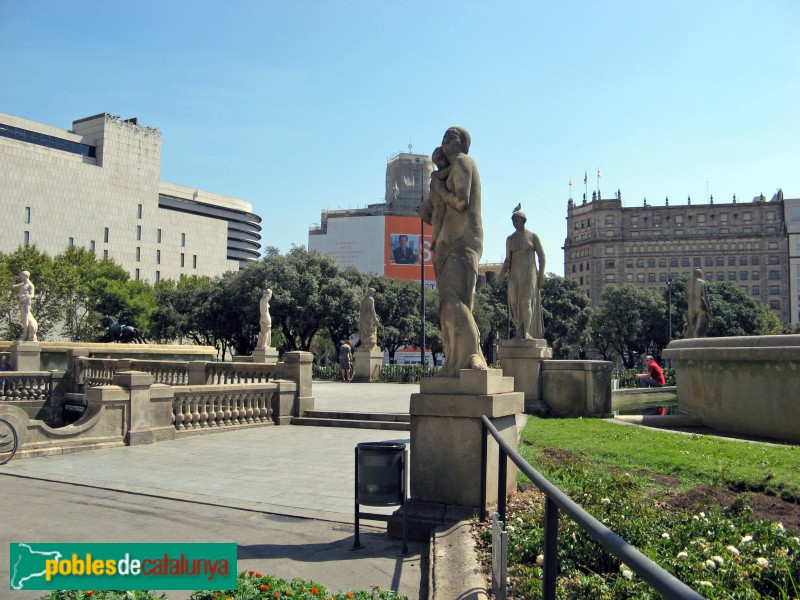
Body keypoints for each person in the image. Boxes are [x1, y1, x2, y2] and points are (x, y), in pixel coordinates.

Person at [424, 126, 488, 377]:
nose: (446, 139)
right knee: (451, 301)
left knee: (452, 298)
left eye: (453, 136)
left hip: (463, 241)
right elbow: (436, 211)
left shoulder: (463, 162)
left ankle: (471, 355)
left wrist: (439, 189)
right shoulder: (447, 172)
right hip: (448, 243)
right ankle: (456, 358)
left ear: (463, 144)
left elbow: (460, 202)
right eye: (445, 136)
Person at [498, 206, 546, 340]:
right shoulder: (510, 239)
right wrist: (502, 273)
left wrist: (541, 276)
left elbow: (542, 256)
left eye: (517, 220)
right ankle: (519, 331)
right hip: (515, 275)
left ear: (524, 221)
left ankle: (526, 332)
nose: (515, 223)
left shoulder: (532, 236)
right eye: (513, 221)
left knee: (526, 303)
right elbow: (508, 260)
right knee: (515, 305)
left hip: (529, 274)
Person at [417, 146, 452, 251]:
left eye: (440, 161)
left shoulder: (449, 169)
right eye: (436, 163)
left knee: (436, 218)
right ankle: (439, 228)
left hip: (440, 203)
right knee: (422, 211)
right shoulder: (438, 173)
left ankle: (437, 239)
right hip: (432, 200)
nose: (439, 165)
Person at [684, 267, 712, 338]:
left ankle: (690, 343)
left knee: (691, 329)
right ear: (700, 275)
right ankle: (698, 343)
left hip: (690, 308)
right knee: (699, 329)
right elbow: (706, 297)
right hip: (700, 307)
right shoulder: (702, 282)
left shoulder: (687, 283)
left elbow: (686, 297)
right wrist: (709, 310)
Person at [11, 270, 38, 341]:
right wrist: (13, 280)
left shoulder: (30, 285)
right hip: (21, 303)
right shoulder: (21, 284)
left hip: (26, 304)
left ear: (26, 276)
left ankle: (25, 336)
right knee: (24, 320)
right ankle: (26, 335)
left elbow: (32, 295)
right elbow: (11, 287)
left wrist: (27, 296)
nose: (21, 276)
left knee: (26, 321)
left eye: (22, 275)